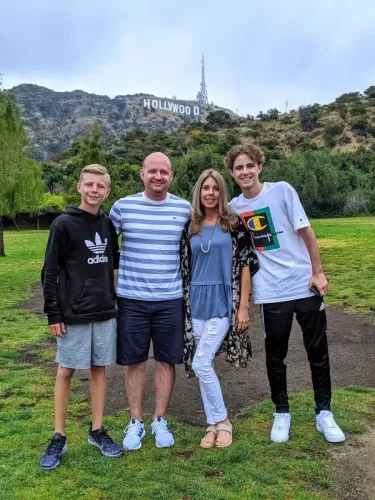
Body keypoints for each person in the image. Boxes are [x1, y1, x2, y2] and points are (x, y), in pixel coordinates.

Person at [227, 143, 345, 444]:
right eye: (238, 167)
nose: (245, 171)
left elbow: (307, 233)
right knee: (275, 355)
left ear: (259, 167)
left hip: (304, 285)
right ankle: (282, 412)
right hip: (271, 292)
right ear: (232, 172)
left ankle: (324, 413)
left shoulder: (282, 191)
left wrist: (317, 272)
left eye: (249, 165)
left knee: (317, 352)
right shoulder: (235, 208)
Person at [40, 164, 122, 471]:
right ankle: (59, 436)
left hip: (103, 310)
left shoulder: (108, 225)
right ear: (79, 187)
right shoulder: (62, 224)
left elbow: (111, 262)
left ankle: (97, 430)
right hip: (71, 313)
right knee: (65, 371)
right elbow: (49, 271)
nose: (94, 190)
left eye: (100, 186)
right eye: (89, 184)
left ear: (107, 191)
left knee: (99, 369)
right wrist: (53, 312)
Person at [109, 152, 191, 450]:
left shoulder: (184, 209)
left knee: (167, 361)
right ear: (142, 174)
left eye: (164, 172)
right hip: (132, 299)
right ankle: (135, 422)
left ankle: (159, 419)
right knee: (135, 361)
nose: (158, 176)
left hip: (171, 299)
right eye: (152, 171)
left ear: (171, 176)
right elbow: (102, 245)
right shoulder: (122, 207)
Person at [180, 169, 259, 448]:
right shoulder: (191, 226)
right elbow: (184, 264)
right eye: (205, 188)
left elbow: (246, 265)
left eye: (215, 188)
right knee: (205, 363)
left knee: (200, 362)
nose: (210, 193)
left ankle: (223, 420)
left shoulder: (234, 223)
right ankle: (211, 424)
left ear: (221, 192)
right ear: (199, 193)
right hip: (196, 302)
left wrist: (243, 308)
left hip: (224, 301)